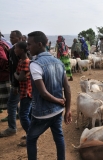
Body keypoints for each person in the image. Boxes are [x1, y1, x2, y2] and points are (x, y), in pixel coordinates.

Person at [26, 31, 72, 160]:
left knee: (31, 138)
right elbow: (67, 88)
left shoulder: (35, 64)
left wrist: (58, 101)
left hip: (42, 112)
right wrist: (67, 109)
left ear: (39, 44)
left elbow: (43, 93)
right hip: (58, 111)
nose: (28, 47)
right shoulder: (58, 62)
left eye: (29, 44)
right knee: (58, 136)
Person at [0, 30, 22, 137]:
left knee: (12, 104)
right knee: (22, 105)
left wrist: (16, 84)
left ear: (19, 38)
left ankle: (12, 128)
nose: (10, 39)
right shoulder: (13, 49)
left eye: (13, 37)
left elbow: (19, 69)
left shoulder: (17, 50)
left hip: (18, 83)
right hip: (18, 82)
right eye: (10, 37)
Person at [13, 41, 32, 146]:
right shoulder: (21, 60)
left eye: (16, 48)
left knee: (23, 115)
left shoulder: (25, 62)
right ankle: (30, 134)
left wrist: (16, 74)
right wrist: (17, 75)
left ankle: (31, 137)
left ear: (22, 50)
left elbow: (21, 77)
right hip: (24, 91)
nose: (15, 50)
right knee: (28, 114)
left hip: (26, 92)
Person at [0, 34, 10, 114]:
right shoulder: (4, 43)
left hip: (3, 75)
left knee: (10, 99)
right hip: (6, 74)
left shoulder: (1, 45)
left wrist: (3, 68)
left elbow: (3, 59)